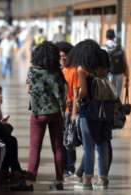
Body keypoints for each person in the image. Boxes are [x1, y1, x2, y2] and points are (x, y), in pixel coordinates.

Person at [11, 42, 67, 191]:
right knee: (58, 148)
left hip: (38, 114)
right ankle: (60, 180)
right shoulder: (57, 72)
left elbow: (28, 89)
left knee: (35, 148)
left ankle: (30, 182)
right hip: (55, 113)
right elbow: (62, 93)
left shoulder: (32, 71)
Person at [68, 40, 112, 190]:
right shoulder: (103, 68)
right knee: (102, 145)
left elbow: (84, 92)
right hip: (105, 111)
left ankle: (87, 181)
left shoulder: (82, 69)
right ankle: (103, 179)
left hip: (88, 112)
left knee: (89, 147)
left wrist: (78, 96)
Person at [55, 41, 78, 177]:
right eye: (59, 56)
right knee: (60, 140)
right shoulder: (60, 71)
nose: (62, 59)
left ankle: (70, 167)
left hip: (69, 111)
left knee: (68, 140)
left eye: (64, 56)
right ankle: (63, 167)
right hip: (60, 111)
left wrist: (74, 112)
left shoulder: (73, 71)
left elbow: (75, 93)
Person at [103, 29, 129, 98]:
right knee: (118, 95)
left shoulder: (103, 48)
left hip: (108, 74)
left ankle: (109, 108)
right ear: (114, 37)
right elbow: (125, 63)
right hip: (119, 74)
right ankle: (117, 107)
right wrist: (127, 78)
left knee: (108, 94)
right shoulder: (120, 48)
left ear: (106, 36)